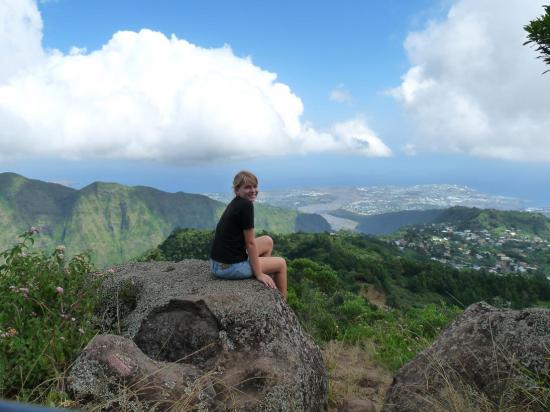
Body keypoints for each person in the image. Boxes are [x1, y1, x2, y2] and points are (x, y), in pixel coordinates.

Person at [209, 171, 288, 300]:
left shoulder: (237, 202)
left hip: (216, 264)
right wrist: (259, 274)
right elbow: (250, 243)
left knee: (268, 241)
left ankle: (267, 285)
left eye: (255, 186)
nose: (253, 190)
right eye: (247, 187)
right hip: (228, 268)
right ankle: (283, 304)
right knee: (281, 263)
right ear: (237, 190)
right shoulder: (246, 205)